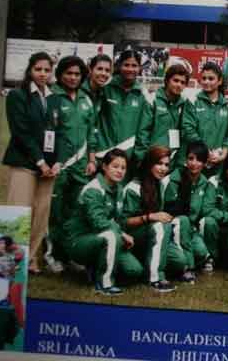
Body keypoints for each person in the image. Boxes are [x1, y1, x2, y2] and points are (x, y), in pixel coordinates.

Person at [2, 52, 57, 274]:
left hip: (48, 169)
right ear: (30, 70)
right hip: (25, 163)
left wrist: (56, 163)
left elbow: (57, 132)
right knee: (20, 213)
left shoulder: (53, 98)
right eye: (38, 69)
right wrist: (40, 161)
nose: (43, 74)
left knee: (40, 215)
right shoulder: (17, 95)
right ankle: (11, 259)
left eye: (47, 70)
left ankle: (31, 258)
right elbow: (21, 132)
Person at [62, 149, 143, 295]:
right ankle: (104, 284)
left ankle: (95, 267)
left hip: (103, 237)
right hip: (79, 241)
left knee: (134, 270)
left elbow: (117, 219)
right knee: (110, 236)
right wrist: (122, 234)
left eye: (123, 168)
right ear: (104, 167)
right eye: (115, 166)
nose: (119, 171)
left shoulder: (118, 188)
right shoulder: (93, 190)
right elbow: (99, 222)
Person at [46, 55, 98, 273]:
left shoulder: (86, 99)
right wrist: (51, 162)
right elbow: (47, 133)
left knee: (76, 212)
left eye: (77, 74)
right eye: (69, 73)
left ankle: (71, 254)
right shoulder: (52, 97)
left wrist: (92, 159)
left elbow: (91, 132)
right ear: (60, 74)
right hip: (59, 166)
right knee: (55, 212)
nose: (73, 77)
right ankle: (52, 255)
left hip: (81, 166)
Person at [121, 145, 188, 292]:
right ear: (149, 163)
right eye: (159, 164)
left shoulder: (160, 185)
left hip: (151, 235)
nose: (163, 168)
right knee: (159, 225)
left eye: (166, 165)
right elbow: (124, 223)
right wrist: (151, 217)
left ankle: (150, 261)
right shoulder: (133, 187)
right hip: (130, 237)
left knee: (180, 261)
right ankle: (155, 278)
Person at [162, 141, 215, 279]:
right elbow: (168, 211)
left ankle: (198, 258)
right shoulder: (174, 179)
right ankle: (188, 267)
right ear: (186, 159)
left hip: (190, 229)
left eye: (199, 160)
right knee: (183, 221)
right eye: (191, 158)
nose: (194, 163)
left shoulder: (205, 183)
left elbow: (204, 210)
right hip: (172, 226)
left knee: (202, 252)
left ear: (205, 163)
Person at [94, 50, 147, 180]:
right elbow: (93, 121)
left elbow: (143, 129)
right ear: (119, 66)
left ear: (140, 68)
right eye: (126, 65)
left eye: (134, 66)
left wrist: (138, 155)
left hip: (127, 160)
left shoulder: (142, 95)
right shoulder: (106, 88)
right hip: (103, 156)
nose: (130, 69)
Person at [135, 64, 190, 170]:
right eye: (176, 80)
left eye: (183, 82)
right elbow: (143, 132)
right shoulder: (153, 99)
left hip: (172, 162)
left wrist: (179, 161)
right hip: (152, 160)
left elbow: (184, 135)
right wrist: (142, 158)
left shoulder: (184, 104)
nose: (179, 85)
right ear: (167, 80)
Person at [181, 62, 228, 178]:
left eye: (211, 78)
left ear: (220, 81)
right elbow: (188, 130)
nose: (206, 82)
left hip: (217, 163)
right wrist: (205, 151)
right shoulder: (193, 101)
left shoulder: (227, 105)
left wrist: (223, 154)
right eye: (204, 78)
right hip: (196, 161)